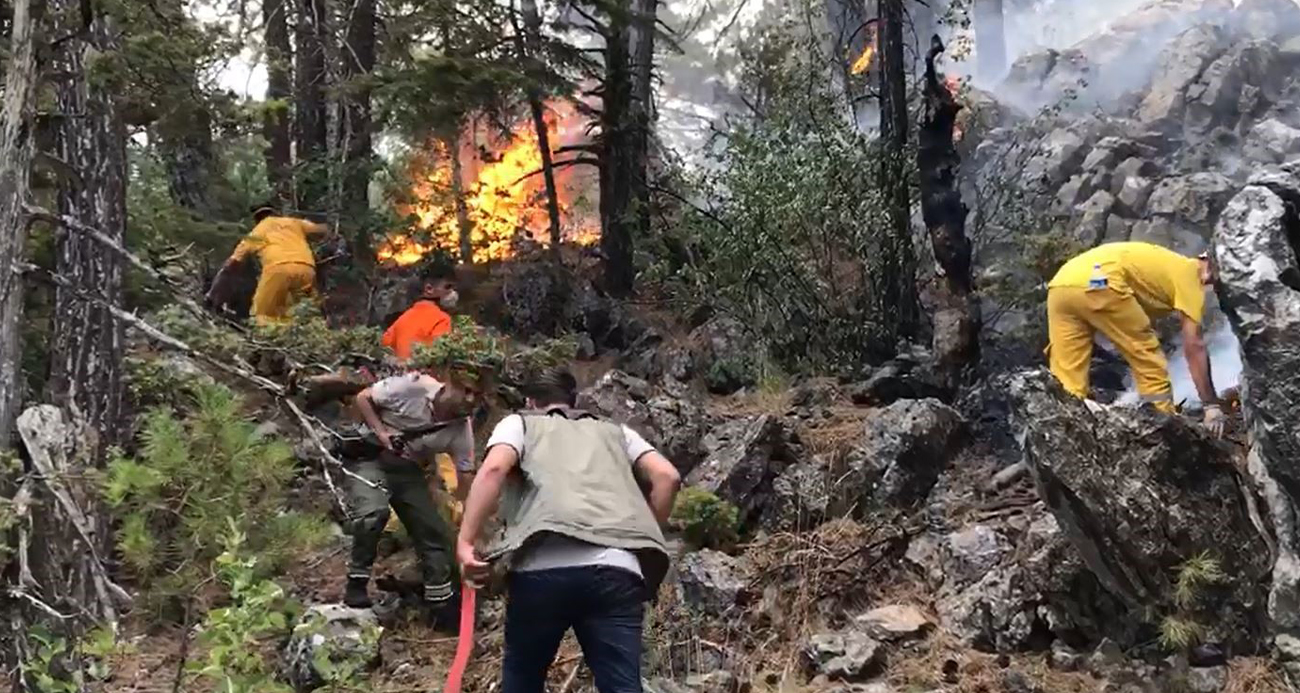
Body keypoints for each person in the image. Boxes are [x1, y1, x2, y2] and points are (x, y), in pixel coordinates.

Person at [457, 367, 682, 693]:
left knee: (522, 681)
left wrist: (465, 542)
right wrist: (638, 535)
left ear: (530, 400)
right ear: (573, 400)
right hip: (616, 570)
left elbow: (493, 468)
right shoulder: (617, 432)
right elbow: (667, 477)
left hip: (541, 569)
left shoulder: (520, 423)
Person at [1046, 241, 1225, 436]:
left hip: (1061, 285)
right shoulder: (1191, 274)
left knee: (1067, 379)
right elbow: (1194, 345)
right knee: (1147, 358)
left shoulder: (1168, 263)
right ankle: (1163, 427)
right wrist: (1210, 405)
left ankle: (1063, 433)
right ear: (1208, 263)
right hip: (1101, 282)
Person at [342, 369, 477, 615]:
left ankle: (440, 603)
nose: (468, 401)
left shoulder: (460, 429)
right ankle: (357, 583)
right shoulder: (413, 386)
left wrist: (467, 515)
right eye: (464, 392)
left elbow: (465, 473)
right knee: (374, 513)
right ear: (448, 385)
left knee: (432, 530)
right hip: (371, 457)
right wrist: (382, 434)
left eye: (475, 397)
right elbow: (364, 398)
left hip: (408, 469)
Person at [206, 204, 328, 325]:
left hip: (278, 269)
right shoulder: (294, 223)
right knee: (303, 312)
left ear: (256, 219)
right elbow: (322, 230)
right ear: (276, 213)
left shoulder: (257, 233)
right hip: (307, 268)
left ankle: (268, 337)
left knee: (261, 315)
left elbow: (232, 264)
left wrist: (213, 293)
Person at [382, 267, 459, 362]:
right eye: (448, 287)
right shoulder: (442, 319)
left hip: (401, 373)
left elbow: (386, 342)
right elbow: (440, 354)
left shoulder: (404, 317)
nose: (452, 292)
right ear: (429, 289)